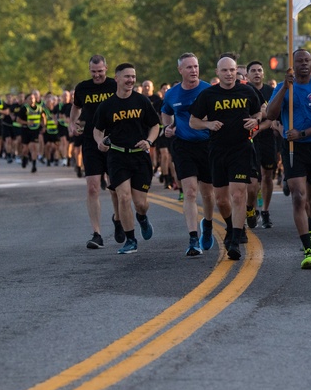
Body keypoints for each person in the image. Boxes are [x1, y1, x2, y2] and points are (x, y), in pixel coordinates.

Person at [264, 49, 311, 270]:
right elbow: (270, 114)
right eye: (299, 61)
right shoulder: (283, 86)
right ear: (293, 65)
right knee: (298, 196)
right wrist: (285, 88)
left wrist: (304, 133)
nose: (303, 64)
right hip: (293, 149)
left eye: (308, 61)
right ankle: (308, 249)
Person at [189, 54, 264, 261]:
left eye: (232, 70)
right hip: (217, 150)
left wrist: (254, 121)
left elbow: (259, 114)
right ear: (217, 73)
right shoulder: (208, 95)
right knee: (221, 199)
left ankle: (236, 239)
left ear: (236, 71)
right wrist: (208, 124)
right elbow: (193, 122)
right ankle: (231, 227)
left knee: (238, 195)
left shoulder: (247, 91)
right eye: (225, 71)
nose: (229, 74)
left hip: (241, 149)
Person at [93, 63, 160, 255]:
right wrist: (100, 142)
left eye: (133, 76)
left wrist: (149, 141)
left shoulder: (142, 101)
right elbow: (97, 130)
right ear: (117, 79)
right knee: (123, 197)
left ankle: (142, 217)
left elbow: (155, 125)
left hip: (139, 157)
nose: (131, 80)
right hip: (117, 156)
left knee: (141, 203)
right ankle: (131, 240)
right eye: (127, 76)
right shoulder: (107, 105)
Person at [162, 53, 218, 257]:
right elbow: (166, 111)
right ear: (180, 70)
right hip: (183, 146)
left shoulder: (208, 91)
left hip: (207, 144)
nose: (193, 70)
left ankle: (209, 223)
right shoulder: (172, 94)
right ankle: (193, 238)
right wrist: (167, 127)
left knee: (208, 193)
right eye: (189, 67)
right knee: (191, 192)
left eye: (196, 66)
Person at [69, 55, 119, 250]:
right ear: (89, 70)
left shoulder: (115, 85)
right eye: (93, 71)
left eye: (100, 71)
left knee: (115, 186)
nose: (97, 75)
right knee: (92, 187)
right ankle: (97, 234)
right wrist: (72, 123)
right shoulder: (83, 88)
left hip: (114, 140)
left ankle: (118, 218)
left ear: (106, 68)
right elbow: (75, 107)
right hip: (90, 141)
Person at [247, 60, 278, 229]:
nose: (257, 73)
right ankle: (251, 209)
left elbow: (272, 118)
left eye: (259, 70)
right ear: (247, 74)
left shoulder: (271, 91)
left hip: (266, 137)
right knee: (252, 179)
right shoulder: (244, 91)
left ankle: (265, 211)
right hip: (248, 139)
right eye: (253, 70)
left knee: (267, 175)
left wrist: (258, 127)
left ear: (263, 73)